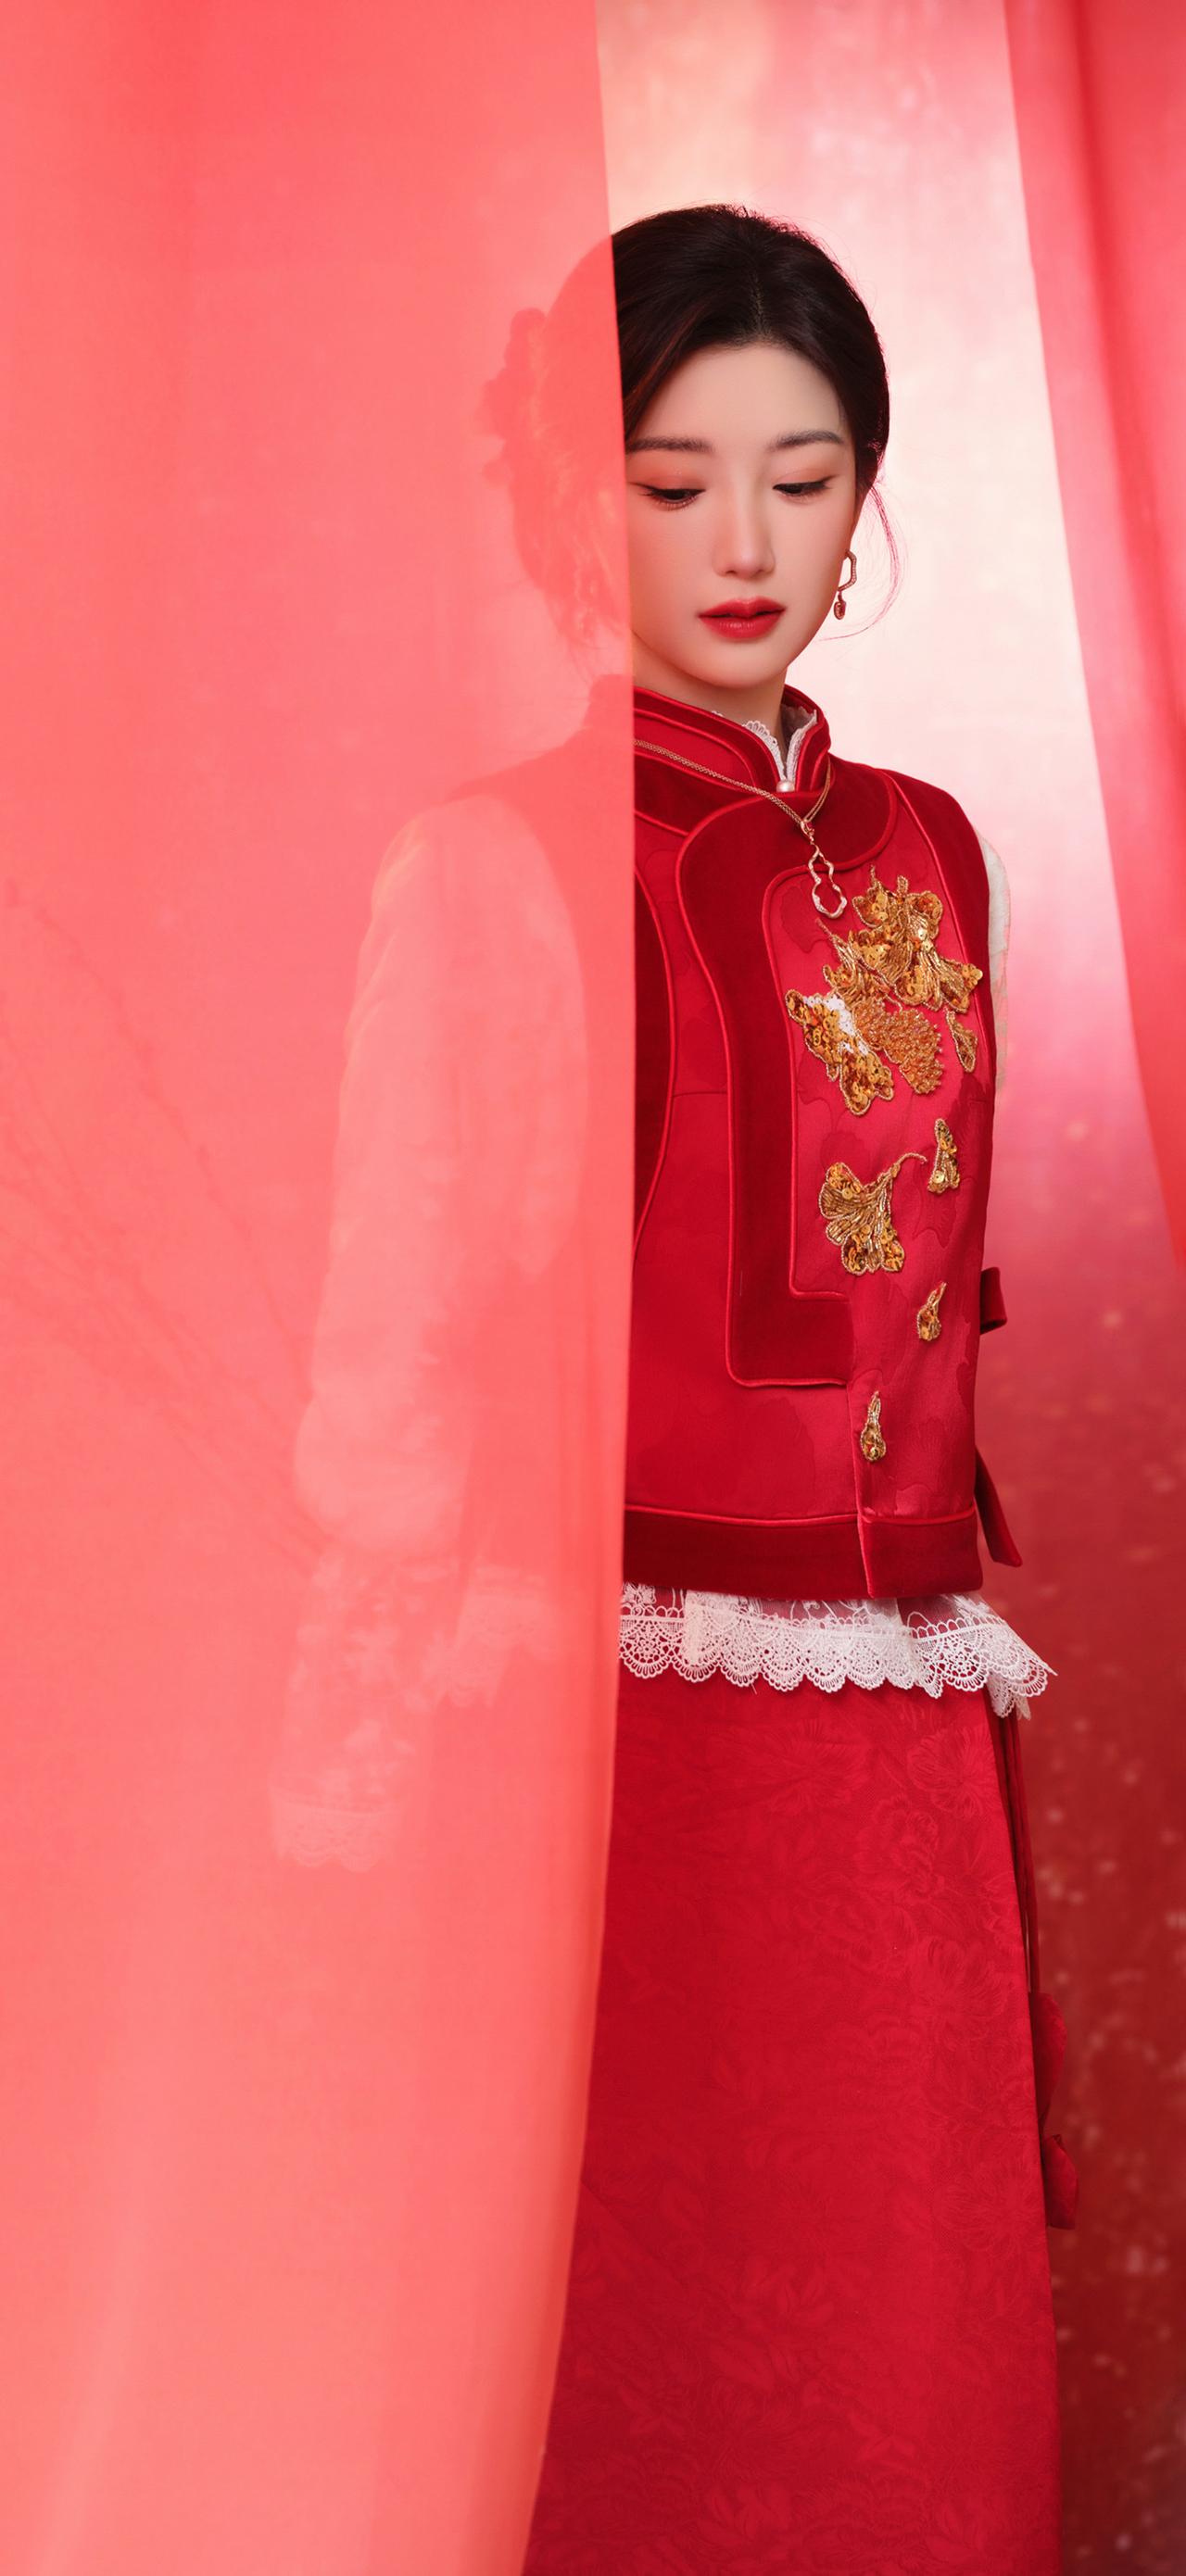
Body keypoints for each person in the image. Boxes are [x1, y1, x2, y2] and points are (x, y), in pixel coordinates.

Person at [510, 206, 1078, 2573]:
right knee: (666, 2319)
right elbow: (408, 1375)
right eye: (672, 480)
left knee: (908, 2339)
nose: (742, 541)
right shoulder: (509, 864)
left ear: (867, 496)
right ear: (576, 495)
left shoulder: (936, 848)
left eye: (802, 473)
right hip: (626, 1734)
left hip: (907, 1704)